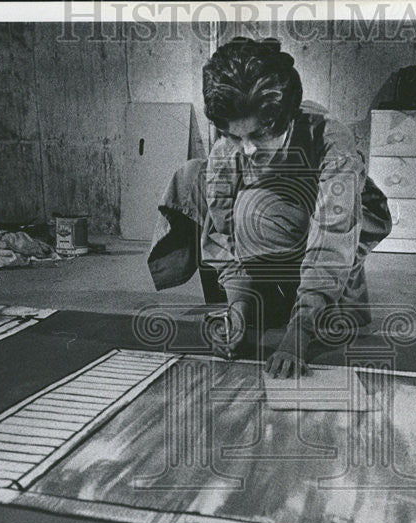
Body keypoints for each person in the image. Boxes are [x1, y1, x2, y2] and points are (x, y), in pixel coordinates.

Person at [147, 37, 392, 377]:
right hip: (266, 247)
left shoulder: (331, 143)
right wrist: (239, 306)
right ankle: (263, 297)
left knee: (267, 213)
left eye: (259, 135)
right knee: (191, 176)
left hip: (332, 232)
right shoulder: (226, 152)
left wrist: (298, 336)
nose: (246, 150)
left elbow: (332, 240)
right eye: (233, 136)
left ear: (287, 118)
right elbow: (223, 236)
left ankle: (306, 301)